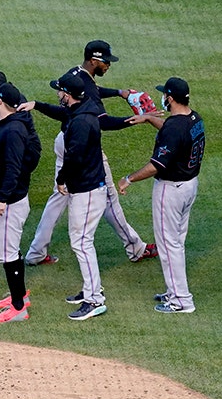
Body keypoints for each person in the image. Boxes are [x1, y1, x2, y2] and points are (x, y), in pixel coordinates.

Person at [21, 40, 158, 267]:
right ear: (94, 61)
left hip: (64, 140)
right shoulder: (85, 87)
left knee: (58, 197)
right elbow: (103, 122)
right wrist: (138, 119)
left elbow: (94, 91)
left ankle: (36, 252)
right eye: (106, 62)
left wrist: (120, 93)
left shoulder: (75, 74)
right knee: (109, 198)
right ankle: (136, 248)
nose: (108, 66)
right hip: (83, 145)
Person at [119, 76, 205, 314]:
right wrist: (149, 118)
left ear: (170, 98)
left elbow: (156, 165)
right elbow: (174, 133)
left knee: (168, 246)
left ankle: (181, 300)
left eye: (164, 95)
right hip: (189, 186)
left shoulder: (175, 128)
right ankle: (174, 291)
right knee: (176, 242)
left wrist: (128, 179)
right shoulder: (194, 118)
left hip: (171, 189)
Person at [46, 72, 108, 321]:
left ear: (68, 95)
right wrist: (37, 105)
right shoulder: (81, 111)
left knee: (82, 242)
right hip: (87, 187)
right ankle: (91, 288)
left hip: (88, 189)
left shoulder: (82, 122)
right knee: (81, 241)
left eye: (60, 91)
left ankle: (95, 300)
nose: (58, 94)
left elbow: (74, 156)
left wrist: (61, 179)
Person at [0, 82, 41, 323]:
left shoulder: (13, 130)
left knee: (8, 255)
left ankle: (18, 308)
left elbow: (13, 169)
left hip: (10, 203)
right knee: (12, 251)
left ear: (4, 102)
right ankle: (20, 296)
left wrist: (1, 199)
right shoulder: (7, 125)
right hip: (9, 200)